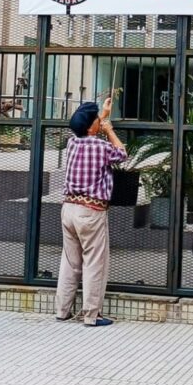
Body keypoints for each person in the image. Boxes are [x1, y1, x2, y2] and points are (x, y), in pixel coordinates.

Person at [55, 97, 127, 327]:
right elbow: (122, 154)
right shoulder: (101, 147)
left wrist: (102, 116)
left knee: (70, 262)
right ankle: (91, 315)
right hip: (91, 212)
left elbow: (86, 129)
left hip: (68, 209)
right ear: (91, 126)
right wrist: (110, 130)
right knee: (94, 262)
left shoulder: (72, 144)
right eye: (97, 119)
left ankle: (62, 310)